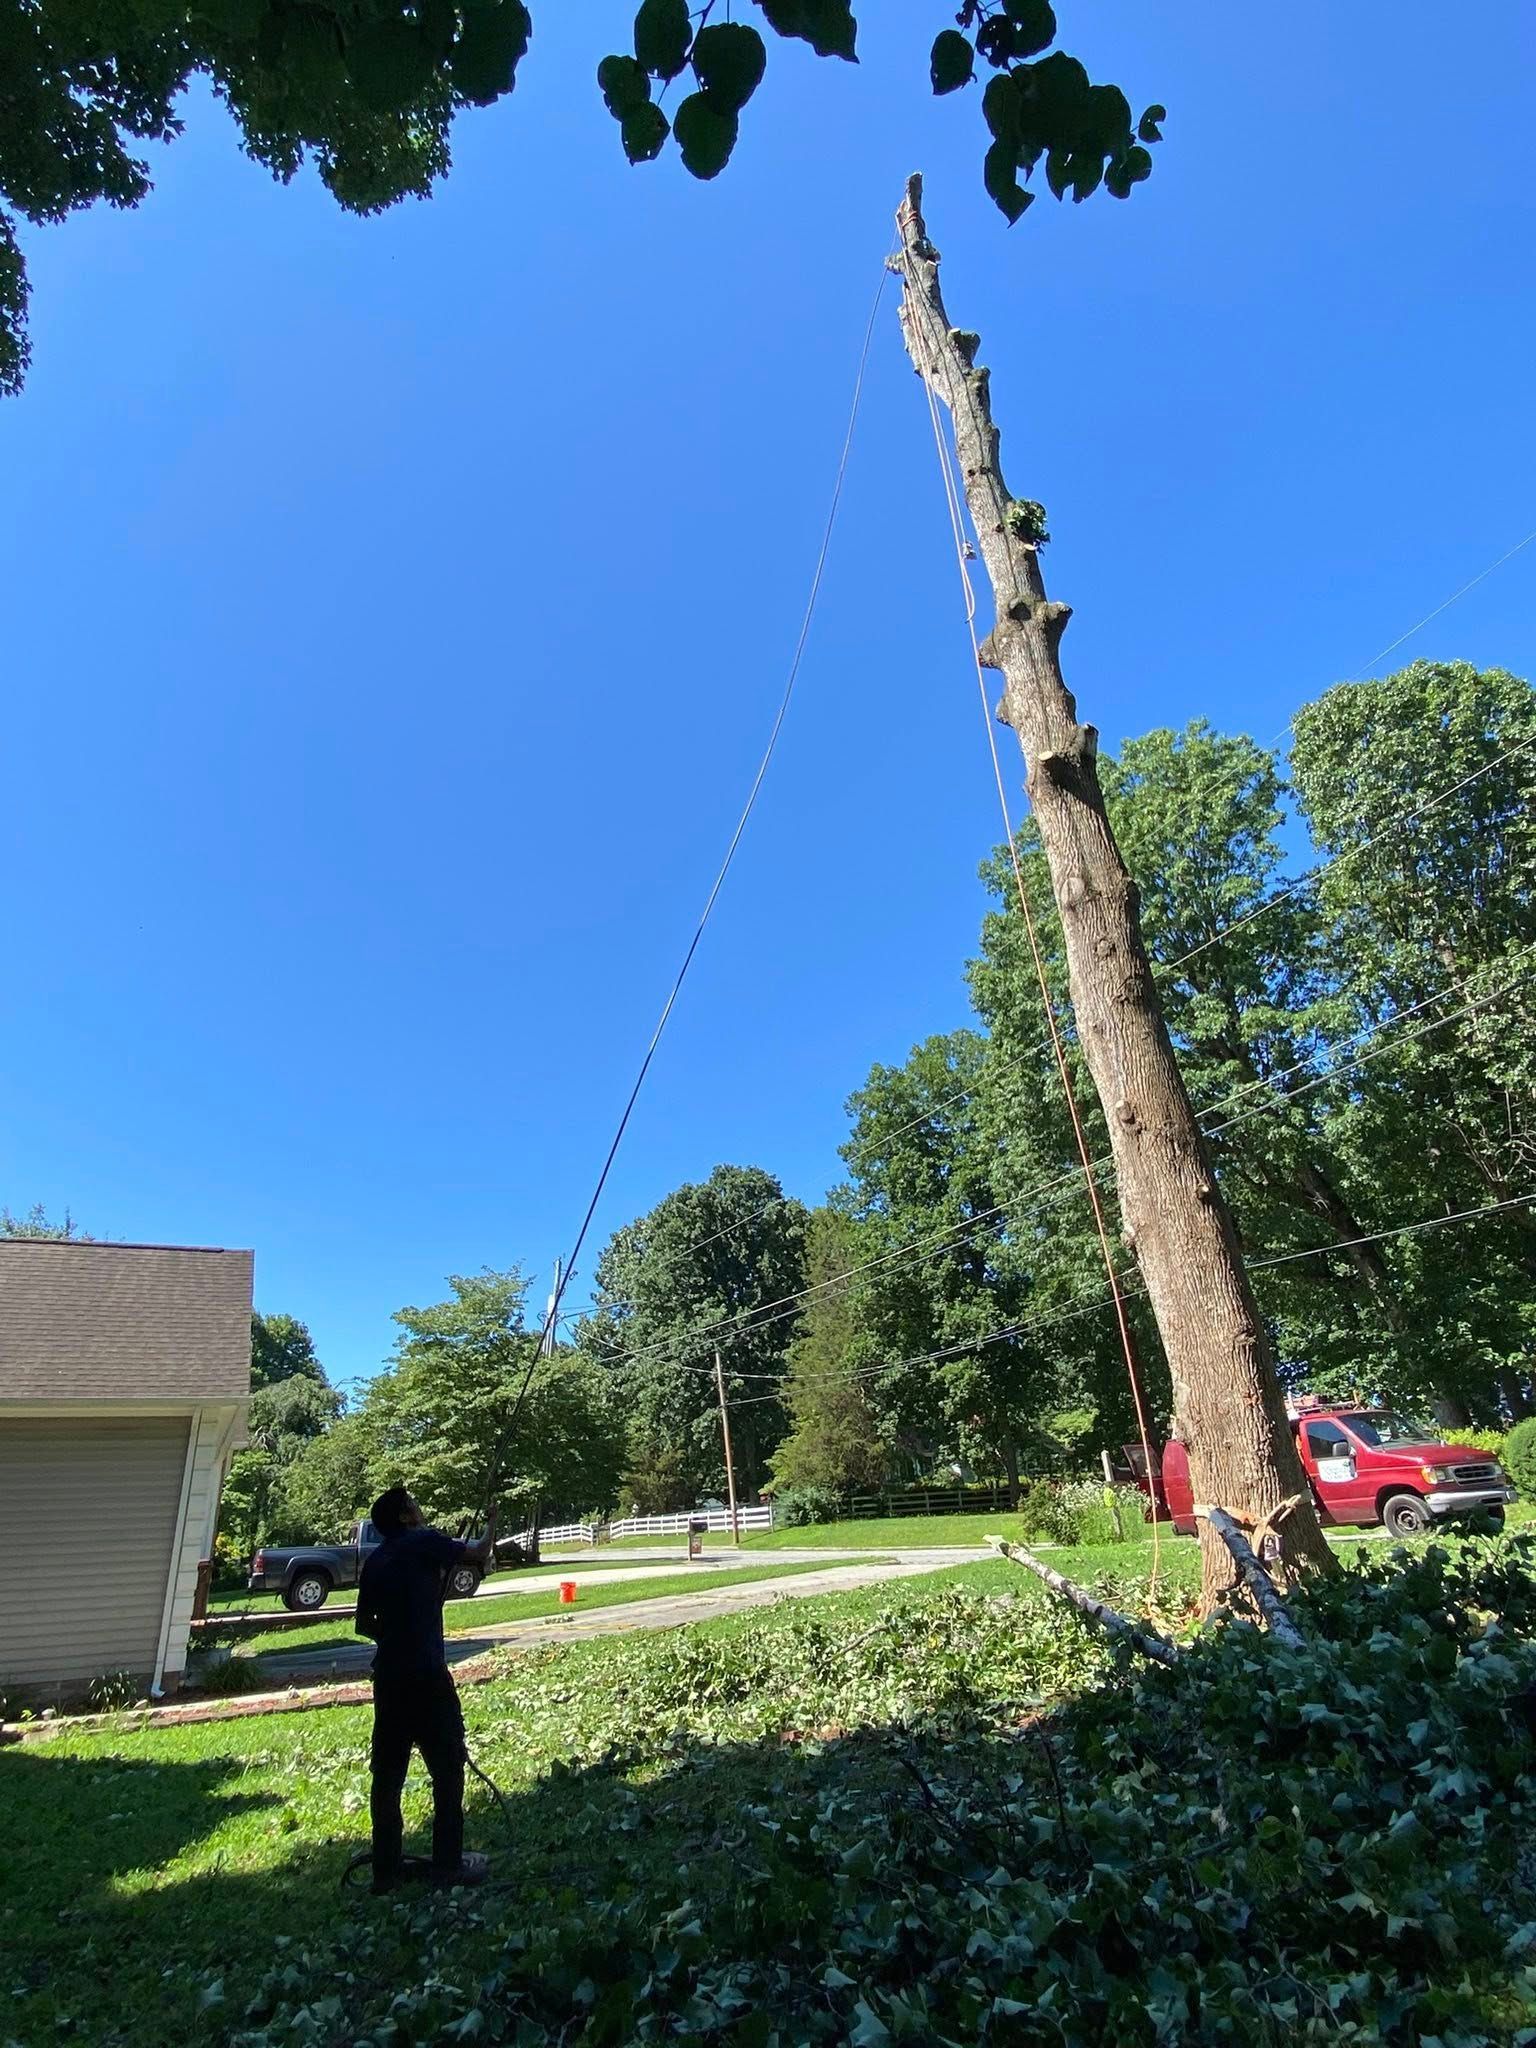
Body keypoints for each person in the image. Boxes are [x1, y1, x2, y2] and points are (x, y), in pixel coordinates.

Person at [355, 1484, 495, 1893]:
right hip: (428, 1678)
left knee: (387, 1777)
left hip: (390, 1681)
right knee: (448, 1768)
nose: (419, 1506)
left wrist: (403, 1628)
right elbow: (480, 1552)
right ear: (403, 1516)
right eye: (413, 1503)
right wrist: (491, 1520)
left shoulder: (376, 1562)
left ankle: (386, 1872)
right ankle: (448, 1865)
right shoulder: (424, 1541)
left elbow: (365, 1625)